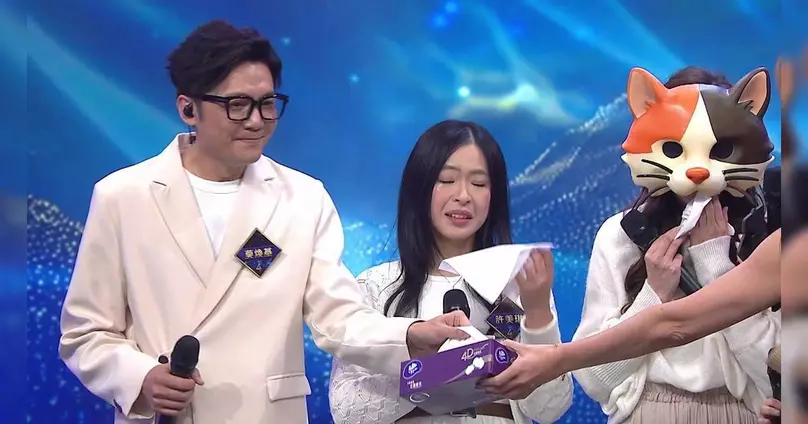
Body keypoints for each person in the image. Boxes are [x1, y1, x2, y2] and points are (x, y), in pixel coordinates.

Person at [58, 21, 469, 424]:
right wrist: (140, 378)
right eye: (237, 105)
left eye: (268, 103)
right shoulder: (123, 197)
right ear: (188, 108)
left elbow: (338, 317)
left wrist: (409, 335)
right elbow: (86, 333)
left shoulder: (303, 198)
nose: (256, 121)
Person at [328, 120, 573, 423]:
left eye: (479, 183)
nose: (463, 195)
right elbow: (346, 408)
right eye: (446, 179)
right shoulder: (377, 285)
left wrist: (537, 313)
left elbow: (550, 409)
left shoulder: (519, 281)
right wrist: (429, 369)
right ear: (419, 187)